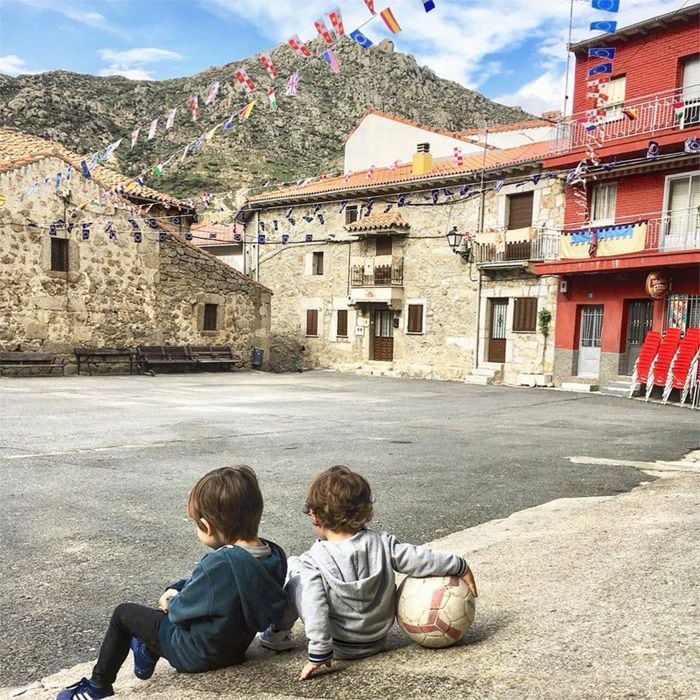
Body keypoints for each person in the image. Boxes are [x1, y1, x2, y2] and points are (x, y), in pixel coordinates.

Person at [57, 466, 288, 699]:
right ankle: (147, 649)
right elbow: (213, 588)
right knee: (166, 607)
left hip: (195, 653)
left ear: (207, 526)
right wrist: (177, 587)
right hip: (233, 648)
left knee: (124, 614)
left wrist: (171, 600)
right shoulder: (273, 555)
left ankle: (97, 686)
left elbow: (179, 612)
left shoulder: (218, 564)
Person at [259, 465, 478, 681]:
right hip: (376, 641)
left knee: (295, 571)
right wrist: (457, 564)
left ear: (314, 515)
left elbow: (313, 604)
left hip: (339, 647)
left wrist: (319, 652)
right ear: (364, 512)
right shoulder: (383, 544)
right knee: (304, 574)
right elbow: (419, 558)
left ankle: (277, 634)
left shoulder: (313, 560)